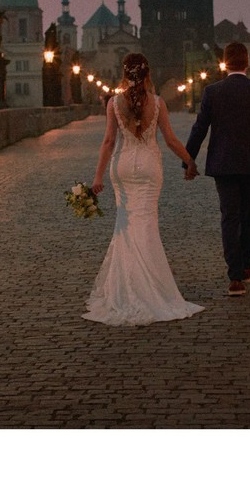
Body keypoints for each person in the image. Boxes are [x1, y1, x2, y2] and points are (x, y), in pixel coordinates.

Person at [85, 53, 204, 326]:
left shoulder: (114, 103)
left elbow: (108, 142)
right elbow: (171, 140)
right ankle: (150, 288)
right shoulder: (159, 103)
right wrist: (189, 161)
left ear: (125, 74)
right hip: (150, 169)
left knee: (124, 226)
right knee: (147, 226)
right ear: (148, 74)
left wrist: (98, 177)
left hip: (123, 168)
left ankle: (125, 289)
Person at [185, 42, 250, 297]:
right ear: (247, 62)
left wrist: (188, 160)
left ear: (225, 63)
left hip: (223, 164)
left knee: (229, 217)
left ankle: (235, 277)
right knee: (248, 217)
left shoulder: (212, 92)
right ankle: (246, 266)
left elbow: (200, 129)